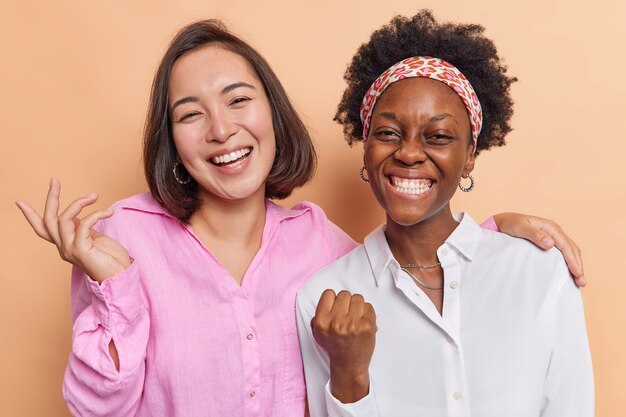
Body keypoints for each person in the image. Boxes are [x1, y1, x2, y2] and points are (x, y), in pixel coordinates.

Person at [16, 19, 585, 417]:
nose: (220, 129)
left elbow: (405, 269)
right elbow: (97, 410)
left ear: (272, 111)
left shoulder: (321, 247)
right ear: (171, 139)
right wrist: (116, 286)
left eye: (238, 100)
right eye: (191, 114)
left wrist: (495, 236)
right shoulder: (121, 240)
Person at [296, 10, 594, 417]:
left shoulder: (539, 272)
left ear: (470, 156)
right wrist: (348, 375)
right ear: (366, 146)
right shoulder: (322, 298)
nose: (410, 153)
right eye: (387, 133)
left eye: (437, 136)